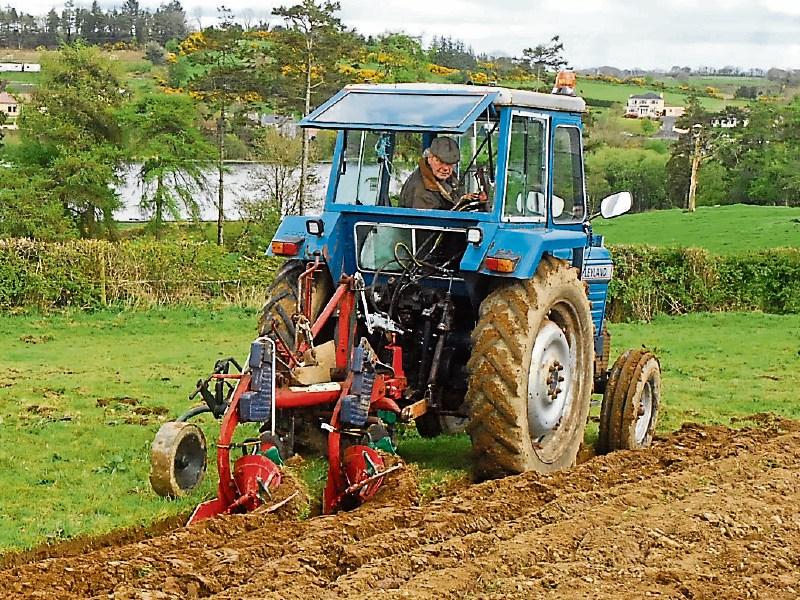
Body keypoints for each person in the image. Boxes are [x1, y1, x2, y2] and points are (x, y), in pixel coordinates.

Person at [399, 137, 477, 210]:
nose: (446, 168)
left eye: (450, 163)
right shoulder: (420, 189)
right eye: (440, 161)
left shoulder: (448, 179)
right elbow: (428, 221)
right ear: (429, 158)